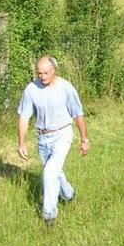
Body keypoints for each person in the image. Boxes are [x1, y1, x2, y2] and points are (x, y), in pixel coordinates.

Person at [17, 56, 90, 226]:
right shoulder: (31, 90)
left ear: (54, 71)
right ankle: (68, 194)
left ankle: (49, 215)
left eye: (45, 73)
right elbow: (24, 117)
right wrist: (21, 142)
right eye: (39, 73)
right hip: (42, 138)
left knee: (49, 172)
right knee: (54, 172)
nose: (42, 77)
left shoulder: (65, 88)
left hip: (62, 134)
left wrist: (84, 139)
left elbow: (78, 115)